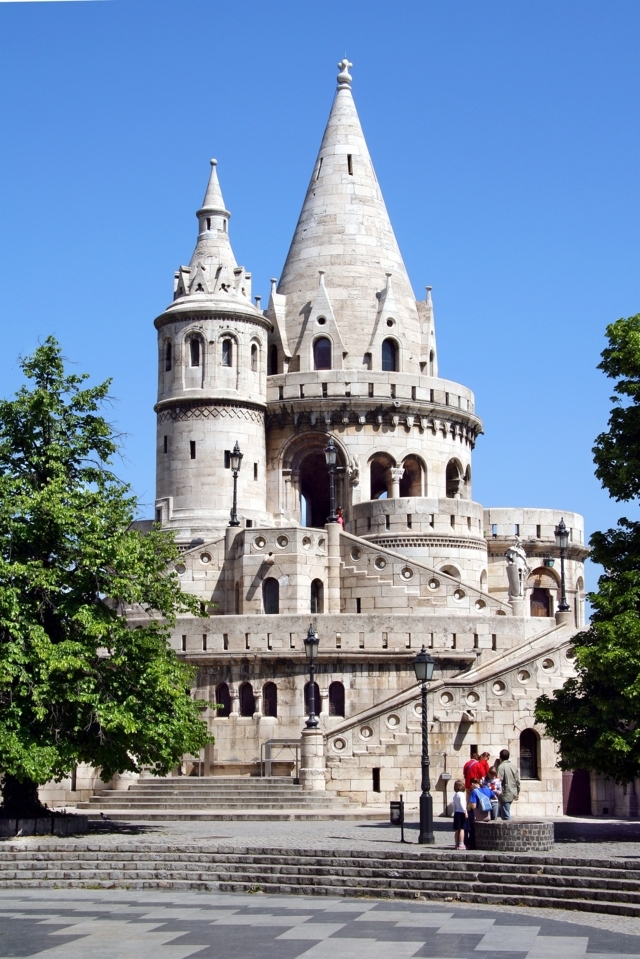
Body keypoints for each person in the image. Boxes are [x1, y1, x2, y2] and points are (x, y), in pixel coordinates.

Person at [496, 748, 520, 820]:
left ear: (500, 757)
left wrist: (496, 792)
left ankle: (511, 830)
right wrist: (517, 792)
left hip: (505, 793)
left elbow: (499, 781)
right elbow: (518, 781)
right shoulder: (513, 766)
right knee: (503, 813)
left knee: (506, 815)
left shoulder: (501, 767)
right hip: (512, 792)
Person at [452, 778, 467, 850]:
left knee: (457, 830)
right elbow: (462, 803)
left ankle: (456, 843)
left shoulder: (455, 795)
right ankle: (461, 843)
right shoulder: (462, 795)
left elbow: (454, 805)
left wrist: (454, 812)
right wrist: (465, 811)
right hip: (461, 812)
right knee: (462, 829)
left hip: (456, 813)